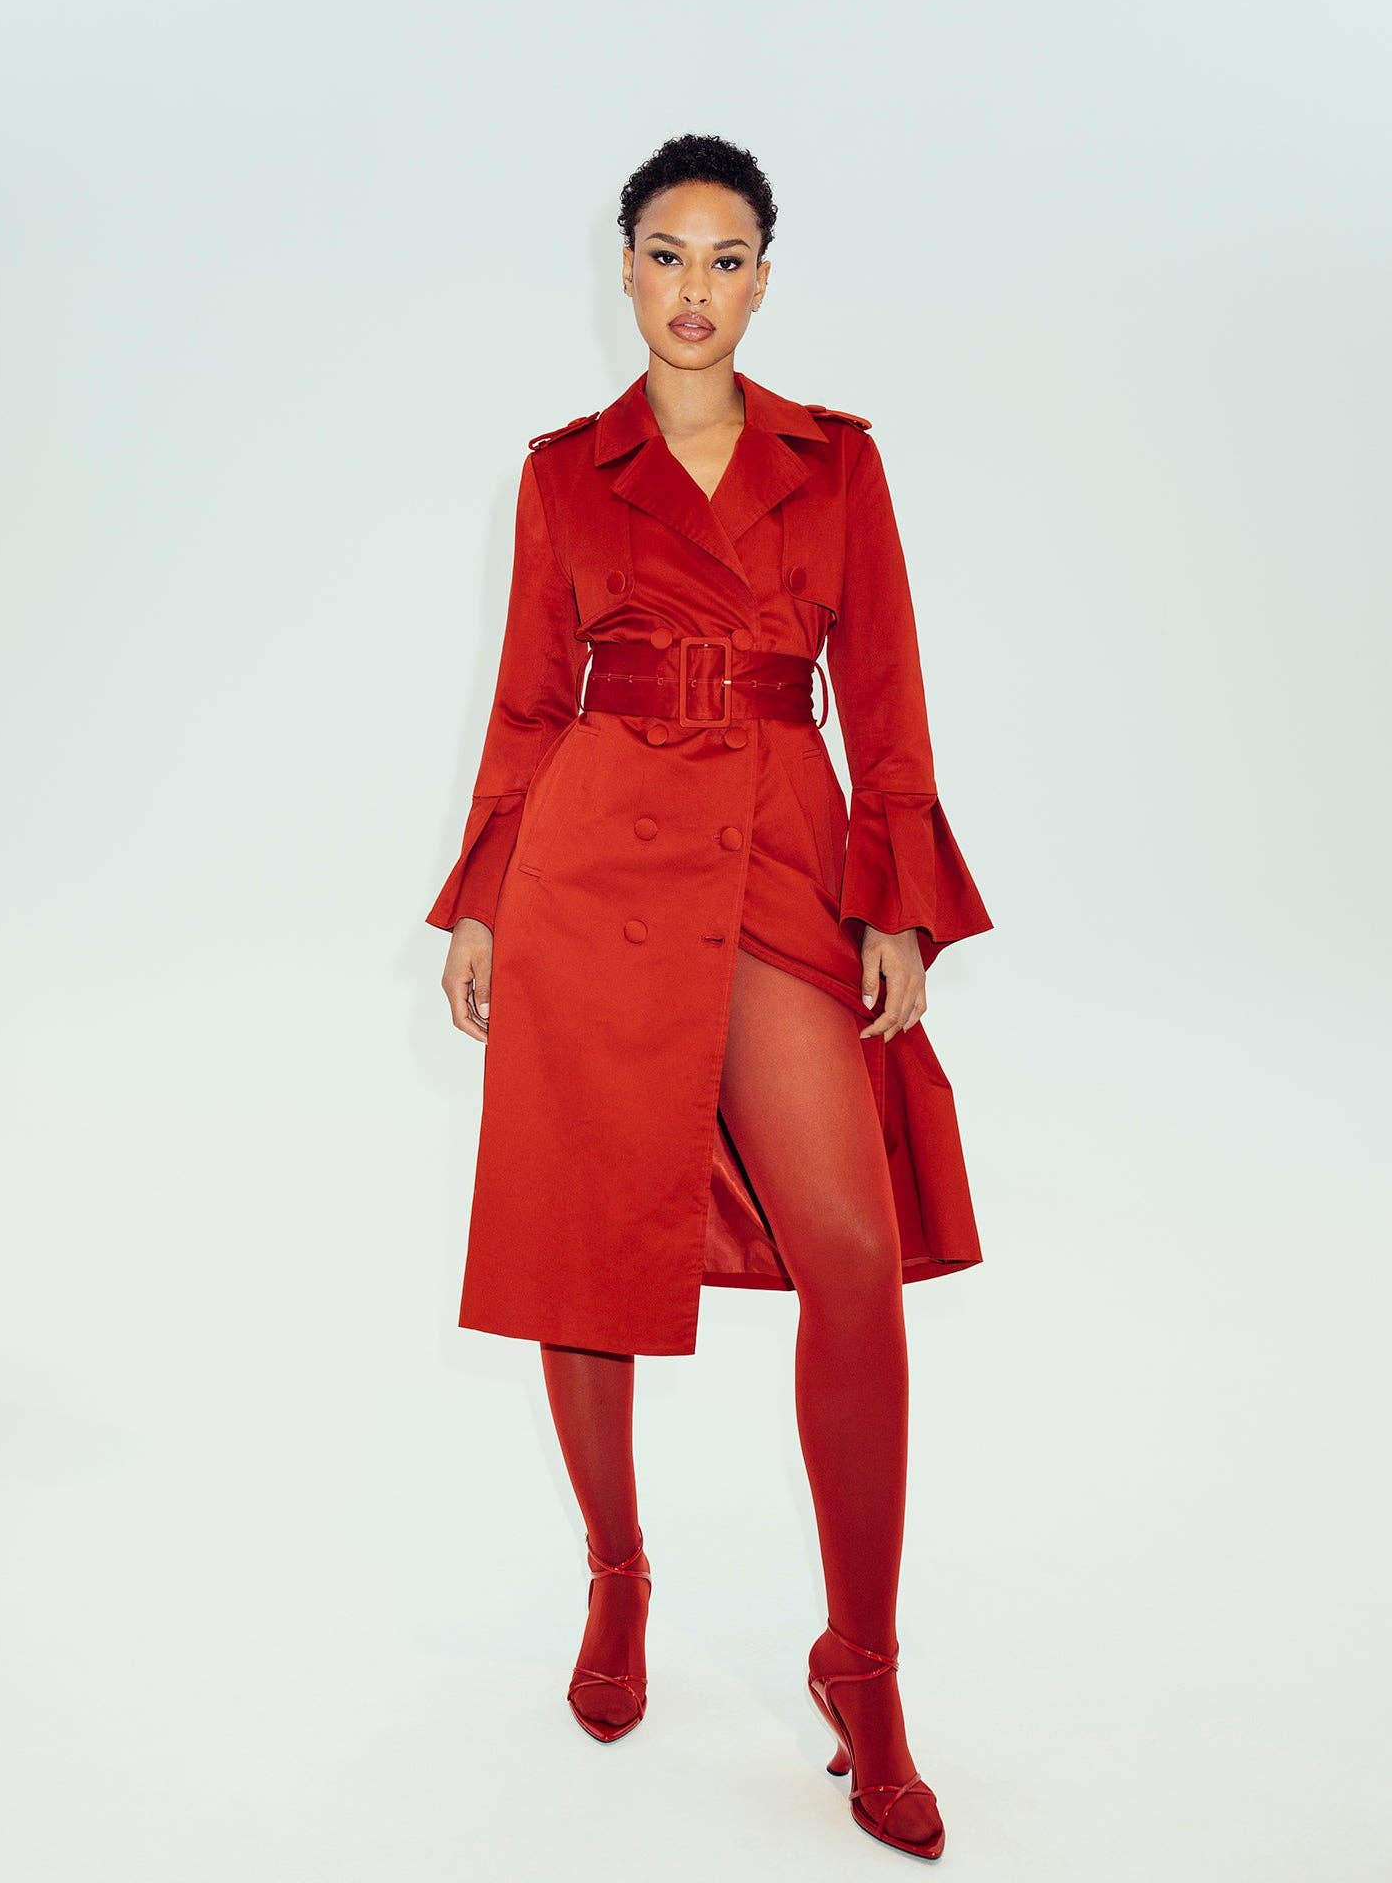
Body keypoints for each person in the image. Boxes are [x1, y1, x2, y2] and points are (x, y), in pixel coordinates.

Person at [427, 133, 993, 1860]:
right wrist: (483, 900)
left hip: (774, 852)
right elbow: (529, 701)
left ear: (763, 280)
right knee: (586, 1247)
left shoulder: (838, 461)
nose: (694, 287)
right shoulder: (563, 473)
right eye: (666, 254)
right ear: (625, 270)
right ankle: (617, 1574)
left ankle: (861, 1667)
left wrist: (897, 903)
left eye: (725, 257)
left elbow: (885, 691)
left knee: (852, 1253)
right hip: (593, 872)